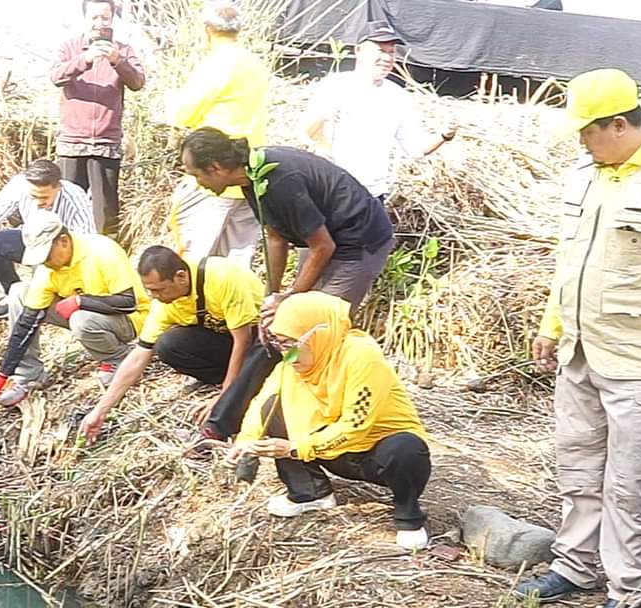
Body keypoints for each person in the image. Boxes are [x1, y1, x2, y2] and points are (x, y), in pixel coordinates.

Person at [514, 69, 641, 608]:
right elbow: (570, 259)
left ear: (618, 125)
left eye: (585, 132)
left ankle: (628, 591)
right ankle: (574, 566)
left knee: (630, 484)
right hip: (580, 353)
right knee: (577, 467)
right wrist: (551, 325)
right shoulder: (587, 174)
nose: (579, 142)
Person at [180, 127, 395, 441]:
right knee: (275, 326)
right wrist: (273, 296)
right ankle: (229, 418)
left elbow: (324, 247)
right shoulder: (252, 179)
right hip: (328, 239)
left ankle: (321, 420)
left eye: (196, 174)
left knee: (311, 332)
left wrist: (291, 298)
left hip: (357, 242)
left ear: (216, 167)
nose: (196, 182)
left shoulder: (277, 179)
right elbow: (276, 237)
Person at [227, 291, 431, 550]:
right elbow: (263, 401)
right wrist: (246, 440)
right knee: (274, 407)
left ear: (318, 334)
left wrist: (294, 448)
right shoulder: (292, 362)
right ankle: (309, 492)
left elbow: (357, 425)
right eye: (280, 343)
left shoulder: (361, 356)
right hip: (331, 450)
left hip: (375, 453)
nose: (286, 353)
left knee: (405, 448)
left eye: (291, 343)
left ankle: (409, 516)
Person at [78, 245, 264, 442]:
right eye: (150, 291)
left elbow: (242, 340)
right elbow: (139, 355)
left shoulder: (221, 277)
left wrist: (223, 397)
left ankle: (234, 395)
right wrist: (100, 410)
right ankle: (233, 381)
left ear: (181, 277)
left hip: (259, 340)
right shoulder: (165, 303)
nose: (155, 297)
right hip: (226, 343)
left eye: (160, 290)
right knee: (168, 345)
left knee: (257, 352)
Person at [0, 210, 149, 406]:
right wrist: (3, 374)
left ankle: (118, 357)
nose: (45, 263)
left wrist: (81, 301)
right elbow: (27, 322)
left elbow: (128, 303)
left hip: (128, 320)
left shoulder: (102, 250)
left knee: (80, 319)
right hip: (86, 314)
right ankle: (28, 375)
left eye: (47, 256)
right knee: (19, 293)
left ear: (64, 241)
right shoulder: (47, 269)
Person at [301, 21, 455, 200]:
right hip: (331, 191)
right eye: (380, 51)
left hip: (373, 195)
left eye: (391, 52)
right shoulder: (333, 85)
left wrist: (445, 135)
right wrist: (324, 117)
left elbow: (416, 149)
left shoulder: (398, 96)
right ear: (359, 51)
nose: (387, 58)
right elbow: (306, 135)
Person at [165, 0, 269, 265]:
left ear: (207, 29)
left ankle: (195, 308)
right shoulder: (254, 64)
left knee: (194, 259)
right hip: (249, 175)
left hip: (213, 177)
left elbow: (181, 114)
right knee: (236, 263)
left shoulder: (216, 64)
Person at [51, 0, 145, 238]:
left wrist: (117, 61)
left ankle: (106, 263)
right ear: (85, 19)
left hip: (106, 142)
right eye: (94, 18)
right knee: (67, 207)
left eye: (105, 18)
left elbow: (137, 82)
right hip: (72, 141)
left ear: (113, 20)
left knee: (105, 210)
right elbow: (56, 76)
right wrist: (85, 60)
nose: (99, 23)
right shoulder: (69, 48)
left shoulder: (123, 50)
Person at [0, 159, 96, 318]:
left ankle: (52, 296)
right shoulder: (19, 185)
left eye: (44, 197)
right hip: (32, 241)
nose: (39, 202)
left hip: (63, 250)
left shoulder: (74, 197)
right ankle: (14, 294)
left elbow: (88, 242)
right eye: (34, 196)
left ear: (58, 187)